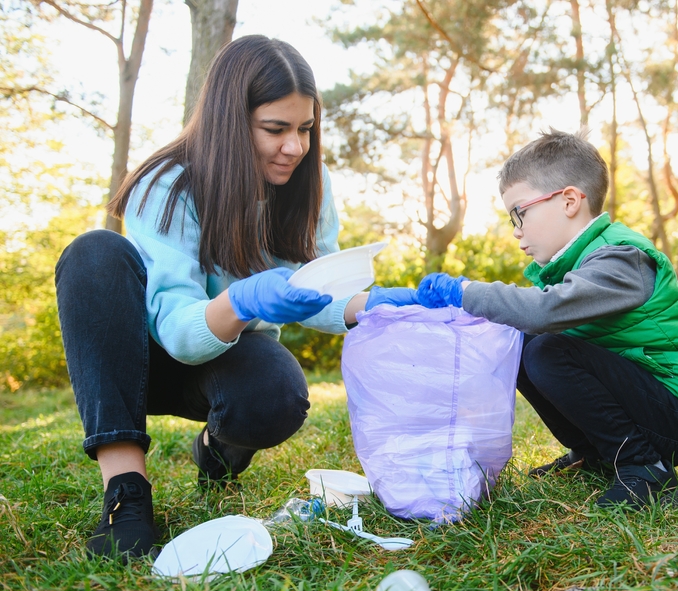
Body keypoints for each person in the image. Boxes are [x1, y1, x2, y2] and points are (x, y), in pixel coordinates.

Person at [55, 36, 416, 560]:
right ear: (231, 120)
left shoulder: (307, 183)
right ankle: (126, 494)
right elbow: (179, 333)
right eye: (276, 129)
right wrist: (243, 300)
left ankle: (217, 453)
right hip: (139, 356)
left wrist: (373, 305)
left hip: (224, 355)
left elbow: (315, 291)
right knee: (94, 253)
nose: (295, 146)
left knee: (277, 392)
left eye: (305, 129)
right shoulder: (166, 184)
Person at [416, 129, 678, 510]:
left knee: (548, 349)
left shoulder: (620, 258)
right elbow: (531, 318)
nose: (516, 231)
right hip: (649, 403)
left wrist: (464, 292)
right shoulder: (580, 262)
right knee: (524, 342)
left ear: (568, 201)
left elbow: (543, 310)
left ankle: (647, 469)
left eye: (520, 213)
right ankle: (592, 452)